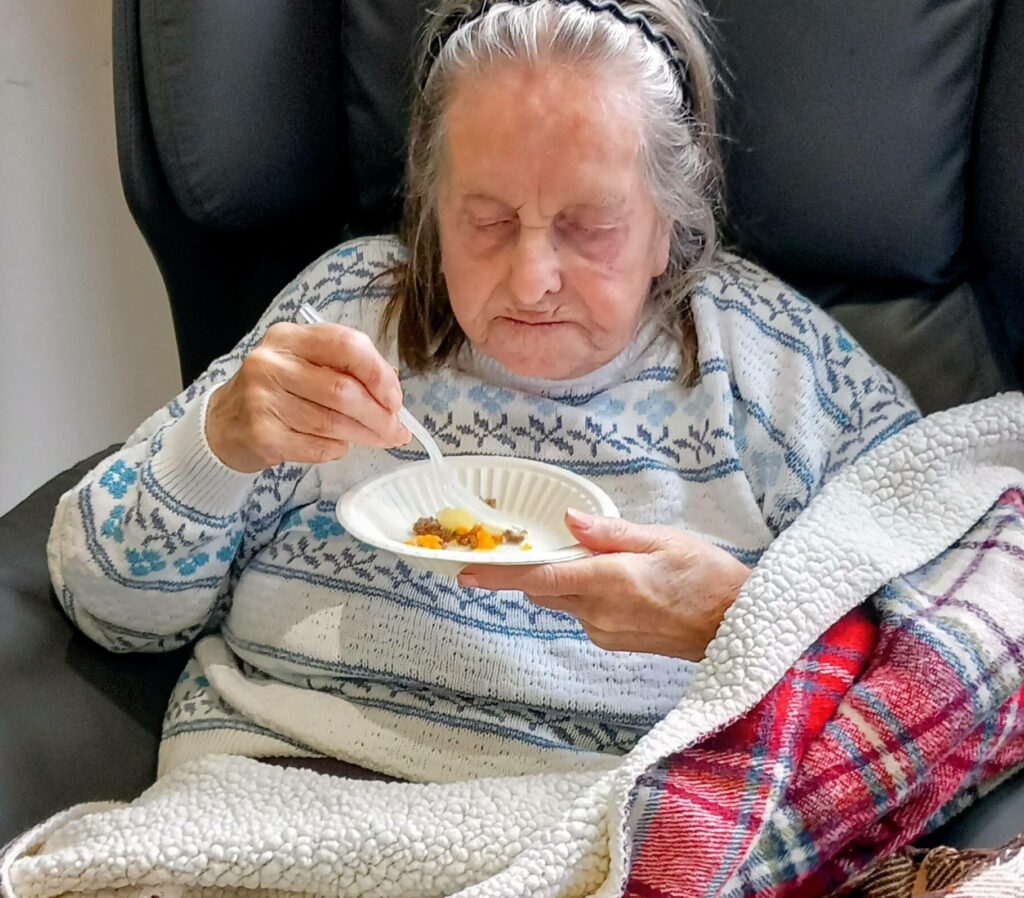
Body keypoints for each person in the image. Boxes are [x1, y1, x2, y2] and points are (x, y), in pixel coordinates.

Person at [48, 0, 918, 782]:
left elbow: (966, 636)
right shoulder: (345, 314)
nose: (533, 279)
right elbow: (110, 609)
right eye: (488, 220)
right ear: (430, 208)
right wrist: (219, 446)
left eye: (589, 227)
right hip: (280, 787)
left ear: (670, 225)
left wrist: (745, 619)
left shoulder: (773, 364)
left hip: (600, 836)